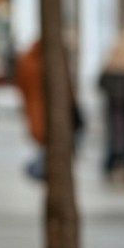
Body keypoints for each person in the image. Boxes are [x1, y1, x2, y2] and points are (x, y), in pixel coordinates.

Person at [15, 40, 83, 181]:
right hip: (45, 111)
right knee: (49, 144)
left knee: (47, 145)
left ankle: (46, 172)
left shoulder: (28, 59)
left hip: (37, 110)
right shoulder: (46, 61)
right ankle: (45, 172)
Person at [98, 28, 124, 185]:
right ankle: (120, 170)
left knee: (113, 142)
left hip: (113, 114)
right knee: (122, 144)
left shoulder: (111, 64)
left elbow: (100, 84)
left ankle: (112, 168)